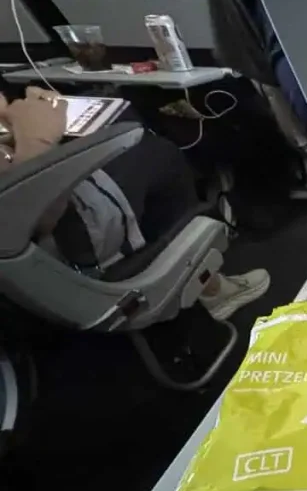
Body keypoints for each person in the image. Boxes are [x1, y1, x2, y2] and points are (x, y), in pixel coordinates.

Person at [0, 87, 269, 320]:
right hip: (58, 233)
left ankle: (201, 277)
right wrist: (38, 139)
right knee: (160, 156)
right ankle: (209, 288)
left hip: (33, 185)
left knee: (135, 128)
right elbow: (25, 219)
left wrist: (21, 121)